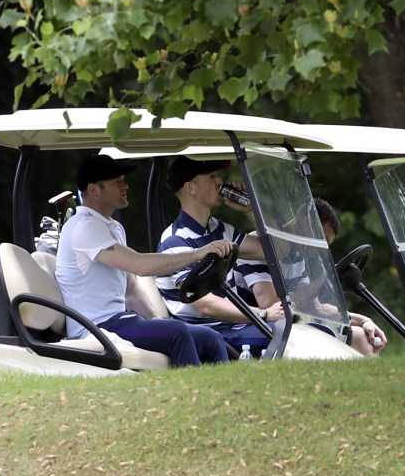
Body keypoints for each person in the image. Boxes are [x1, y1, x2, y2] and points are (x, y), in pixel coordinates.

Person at [55, 155, 234, 368]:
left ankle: (223, 398)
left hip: (119, 321)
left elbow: (131, 288)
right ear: (94, 190)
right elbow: (141, 266)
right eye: (117, 182)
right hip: (95, 328)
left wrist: (156, 320)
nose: (125, 185)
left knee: (209, 338)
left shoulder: (111, 227)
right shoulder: (84, 227)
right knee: (177, 333)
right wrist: (198, 254)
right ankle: (189, 398)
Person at [155, 157, 284, 356]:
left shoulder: (219, 228)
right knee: (288, 335)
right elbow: (206, 305)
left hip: (231, 327)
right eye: (211, 176)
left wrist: (249, 209)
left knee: (296, 329)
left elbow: (273, 251)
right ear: (191, 188)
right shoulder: (175, 241)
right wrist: (263, 314)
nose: (219, 181)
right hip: (209, 334)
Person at [233, 198, 388, 355]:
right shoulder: (262, 249)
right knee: (324, 336)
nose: (319, 249)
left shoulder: (297, 257)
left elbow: (315, 308)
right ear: (306, 221)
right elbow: (271, 304)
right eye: (321, 241)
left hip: (279, 325)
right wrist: (326, 278)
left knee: (362, 337)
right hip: (248, 324)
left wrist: (363, 321)